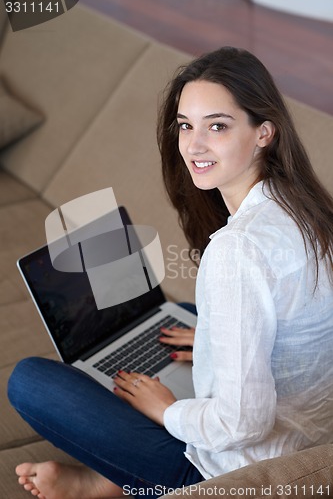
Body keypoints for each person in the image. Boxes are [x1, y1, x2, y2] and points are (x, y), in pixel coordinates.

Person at [8, 46, 333, 499]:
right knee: (179, 316)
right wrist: (210, 340)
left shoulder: (237, 250)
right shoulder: (305, 208)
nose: (194, 146)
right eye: (186, 125)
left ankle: (128, 485)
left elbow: (244, 422)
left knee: (29, 381)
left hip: (234, 474)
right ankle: (117, 477)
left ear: (264, 133)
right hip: (310, 436)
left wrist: (167, 411)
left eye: (217, 126)